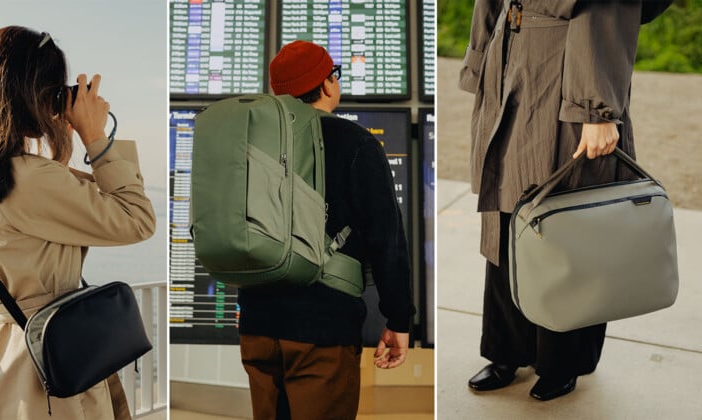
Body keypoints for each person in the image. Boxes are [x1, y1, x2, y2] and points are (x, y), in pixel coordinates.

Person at [458, 0, 673, 401]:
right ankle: (508, 350)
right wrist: (481, 55)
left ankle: (563, 362)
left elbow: (606, 10)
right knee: (509, 215)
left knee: (570, 229)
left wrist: (596, 108)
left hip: (567, 71)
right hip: (510, 57)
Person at [0, 26, 155, 419]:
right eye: (53, 88)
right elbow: (137, 219)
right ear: (32, 93)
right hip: (49, 369)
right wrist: (95, 136)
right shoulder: (32, 179)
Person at [236, 40, 416, 419]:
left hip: (257, 325)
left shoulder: (250, 144)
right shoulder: (357, 143)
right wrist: (399, 319)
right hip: (323, 329)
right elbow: (387, 241)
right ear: (327, 83)